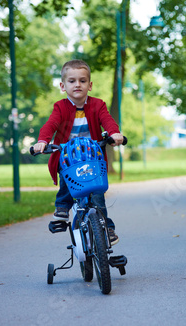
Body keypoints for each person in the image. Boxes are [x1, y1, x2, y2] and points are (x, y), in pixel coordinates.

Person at [33, 59, 123, 245]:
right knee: (67, 178)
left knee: (97, 197)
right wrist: (43, 141)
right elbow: (51, 124)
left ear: (90, 85)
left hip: (92, 157)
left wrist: (114, 133)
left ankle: (106, 228)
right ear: (63, 86)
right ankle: (62, 207)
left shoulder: (98, 105)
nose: (77, 85)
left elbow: (107, 120)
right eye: (72, 81)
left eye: (82, 81)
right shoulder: (60, 107)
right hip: (68, 157)